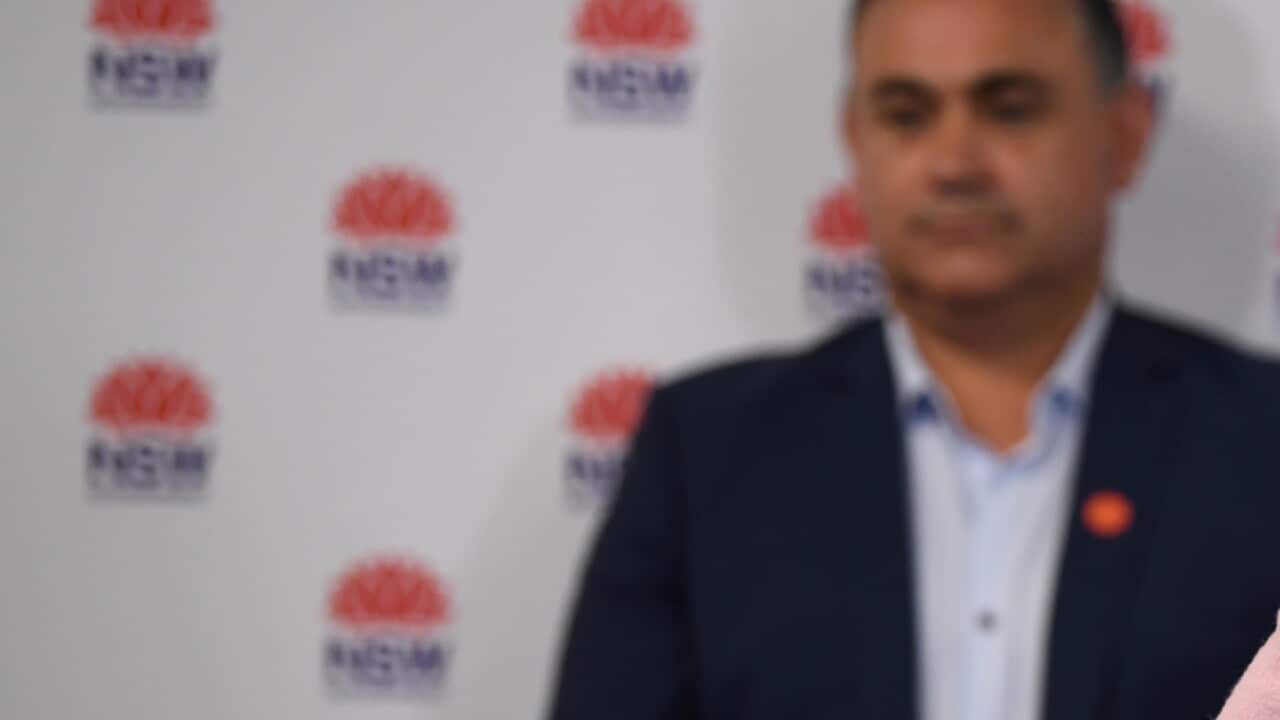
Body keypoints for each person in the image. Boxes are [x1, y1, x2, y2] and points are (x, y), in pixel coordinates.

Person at [546, 0, 1280, 718]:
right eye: (906, 114)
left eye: (1009, 108)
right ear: (854, 139)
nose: (953, 163)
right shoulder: (704, 452)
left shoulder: (1260, 442)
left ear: (1124, 133)